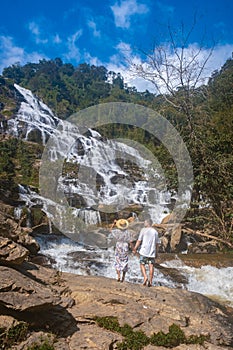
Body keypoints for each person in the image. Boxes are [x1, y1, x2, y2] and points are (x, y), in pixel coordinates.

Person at [133, 218, 160, 287]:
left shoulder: (143, 230)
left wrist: (135, 248)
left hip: (144, 251)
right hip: (152, 252)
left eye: (145, 222)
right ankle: (150, 281)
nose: (144, 224)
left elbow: (139, 240)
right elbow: (157, 244)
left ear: (148, 223)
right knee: (151, 265)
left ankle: (145, 277)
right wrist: (156, 253)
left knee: (142, 264)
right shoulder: (155, 232)